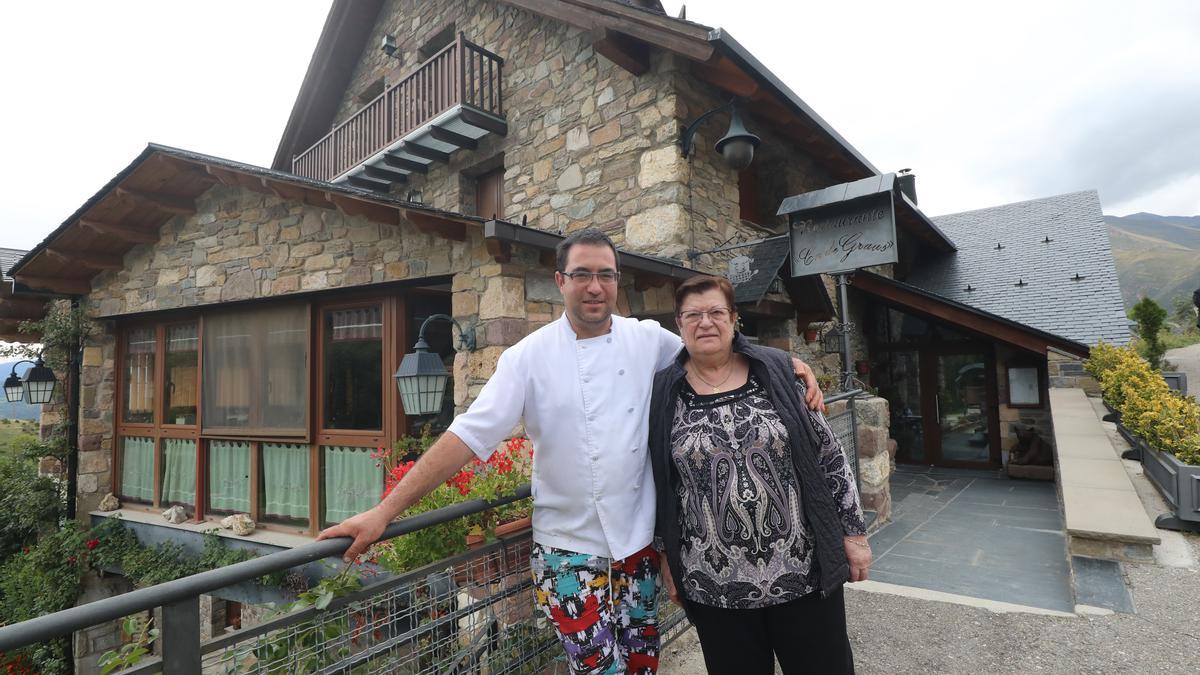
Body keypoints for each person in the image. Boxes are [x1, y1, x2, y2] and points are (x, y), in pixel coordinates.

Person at [319, 229, 824, 675]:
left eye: (605, 274)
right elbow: (469, 436)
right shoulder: (527, 358)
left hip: (637, 548)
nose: (595, 286)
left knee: (643, 666)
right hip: (568, 553)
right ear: (560, 281)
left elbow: (713, 347)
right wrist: (385, 512)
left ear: (617, 281)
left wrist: (786, 364)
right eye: (582, 274)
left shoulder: (646, 340)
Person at [648, 274, 870, 675]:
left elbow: (829, 455)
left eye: (716, 312)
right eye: (692, 315)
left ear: (735, 319)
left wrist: (852, 534)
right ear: (679, 325)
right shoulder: (665, 391)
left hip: (803, 575)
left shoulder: (778, 371)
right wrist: (667, 557)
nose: (705, 322)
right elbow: (662, 482)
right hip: (715, 586)